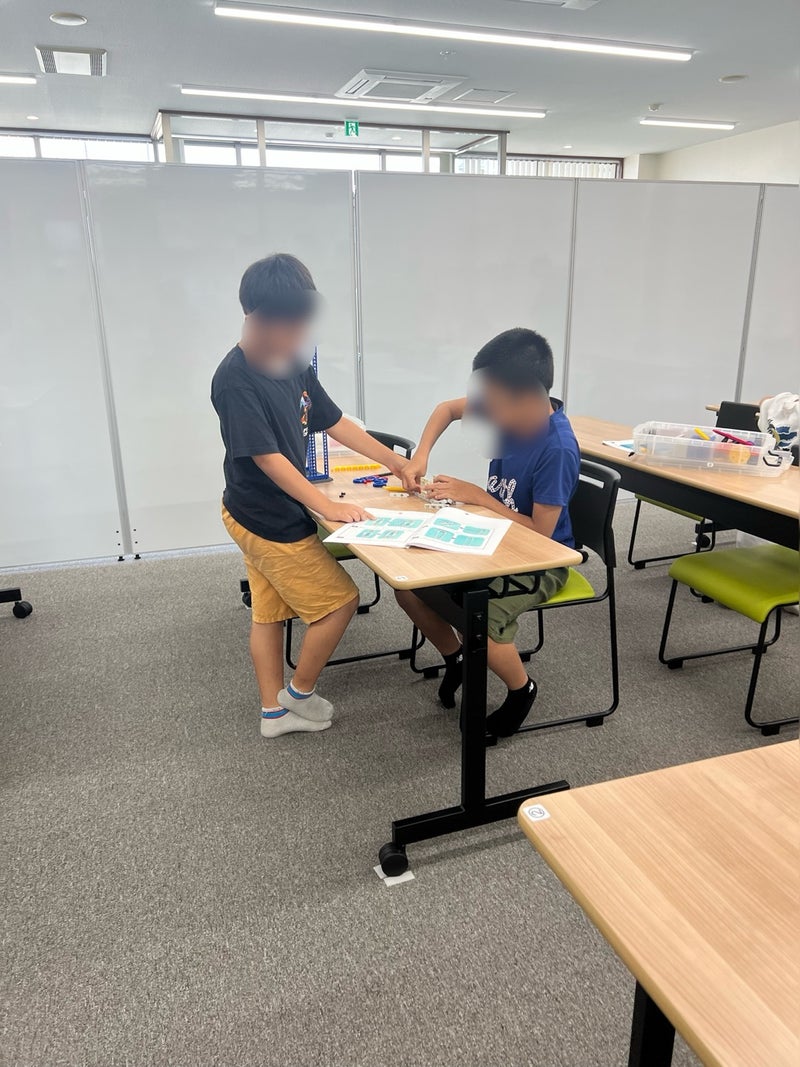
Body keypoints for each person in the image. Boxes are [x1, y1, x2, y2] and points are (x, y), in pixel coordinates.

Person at [211, 253, 408, 738]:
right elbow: (268, 459)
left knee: (269, 613)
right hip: (265, 517)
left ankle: (273, 715)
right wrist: (327, 506)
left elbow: (334, 420)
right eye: (289, 326)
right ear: (255, 317)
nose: (298, 336)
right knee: (340, 602)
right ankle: (298, 694)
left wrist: (395, 461)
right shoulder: (235, 379)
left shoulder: (292, 362)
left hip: (256, 511)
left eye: (303, 325)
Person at [398, 328, 580, 738]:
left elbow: (542, 536)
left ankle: (521, 690)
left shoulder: (557, 449)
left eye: (494, 406)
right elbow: (447, 409)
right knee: (410, 588)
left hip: (542, 562)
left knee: (477, 617)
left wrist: (477, 496)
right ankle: (458, 659)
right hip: (493, 540)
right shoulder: (511, 410)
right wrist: (421, 455)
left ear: (526, 397)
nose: (487, 414)